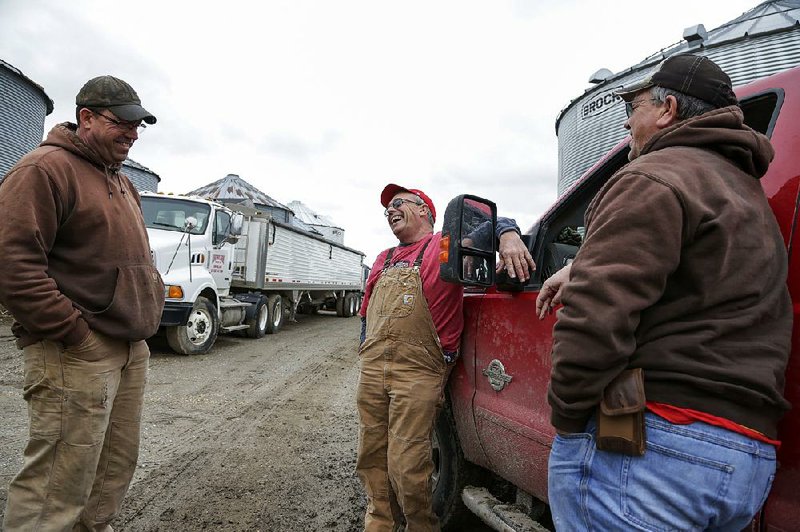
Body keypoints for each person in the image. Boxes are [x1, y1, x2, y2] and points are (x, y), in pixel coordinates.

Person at [536, 54, 792, 530]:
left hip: (660, 446)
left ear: (667, 109)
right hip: (748, 458)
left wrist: (569, 425)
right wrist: (584, 264)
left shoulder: (652, 176)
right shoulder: (749, 198)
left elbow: (596, 314)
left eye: (633, 109)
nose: (628, 124)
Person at [0, 75, 165, 531]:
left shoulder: (123, 182)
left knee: (112, 467)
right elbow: (12, 265)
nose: (132, 133)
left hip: (129, 348)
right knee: (58, 478)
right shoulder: (44, 170)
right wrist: (76, 334)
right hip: (77, 350)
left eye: (138, 126)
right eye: (122, 123)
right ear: (86, 118)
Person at [356, 183, 534, 531]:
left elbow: (492, 221)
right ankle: (379, 523)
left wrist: (509, 235)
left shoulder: (445, 247)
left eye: (398, 203)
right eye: (387, 209)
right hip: (373, 367)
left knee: (407, 462)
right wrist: (365, 346)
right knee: (371, 456)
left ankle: (421, 526)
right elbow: (366, 311)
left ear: (425, 210)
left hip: (419, 371)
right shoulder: (383, 258)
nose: (390, 211)